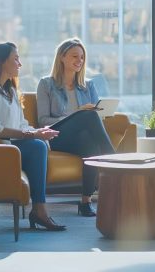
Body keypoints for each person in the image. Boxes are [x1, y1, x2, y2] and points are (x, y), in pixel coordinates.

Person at [0, 42, 66, 231]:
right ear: (1, 62)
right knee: (36, 146)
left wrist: (39, 134)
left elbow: (21, 124)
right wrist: (31, 135)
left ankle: (39, 209)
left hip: (8, 148)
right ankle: (39, 210)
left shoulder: (10, 91)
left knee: (40, 144)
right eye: (15, 59)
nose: (19, 64)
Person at [37, 37, 116, 217]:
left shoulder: (88, 86)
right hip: (56, 136)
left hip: (80, 137)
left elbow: (96, 117)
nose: (79, 61)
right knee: (87, 115)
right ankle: (113, 159)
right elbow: (43, 121)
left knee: (89, 143)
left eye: (81, 57)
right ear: (62, 58)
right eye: (74, 56)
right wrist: (77, 115)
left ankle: (85, 202)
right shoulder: (46, 84)